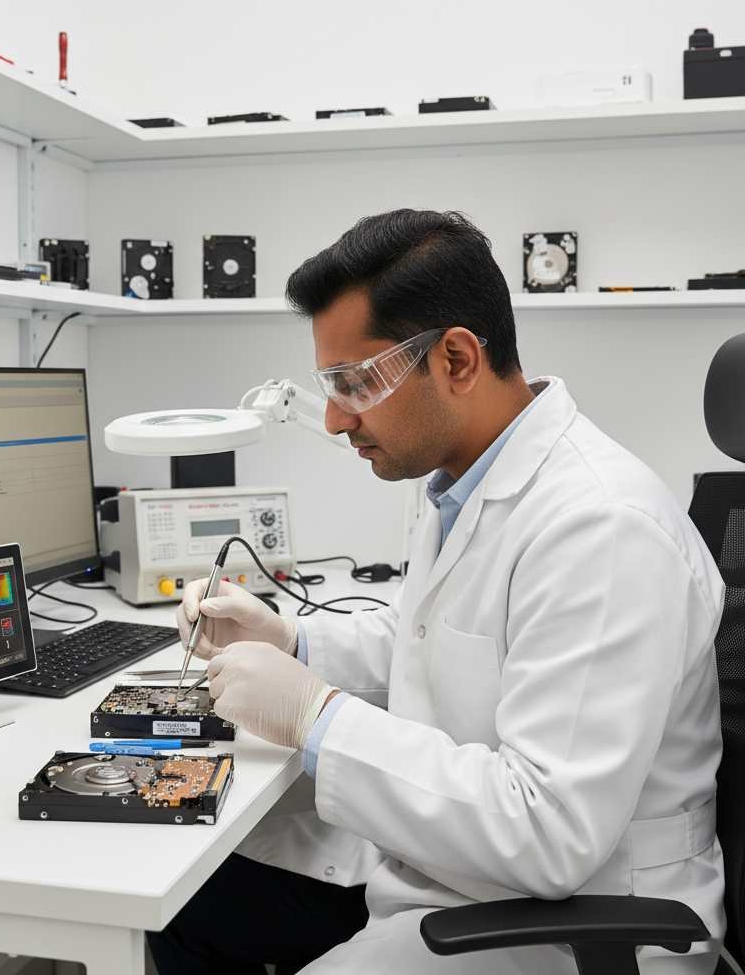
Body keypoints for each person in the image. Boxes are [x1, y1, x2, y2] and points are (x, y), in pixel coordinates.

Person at [147, 209, 725, 974]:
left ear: (456, 359)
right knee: (185, 908)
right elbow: (432, 638)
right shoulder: (458, 479)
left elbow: (548, 832)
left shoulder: (602, 527)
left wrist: (316, 717)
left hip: (574, 925)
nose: (332, 417)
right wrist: (292, 641)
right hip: (460, 873)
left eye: (356, 383)